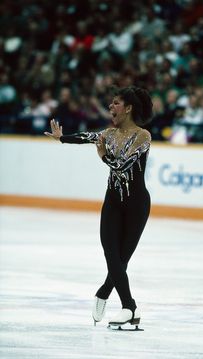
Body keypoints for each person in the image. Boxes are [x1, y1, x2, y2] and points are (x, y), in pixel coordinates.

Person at [44, 86, 153, 329]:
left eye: (115, 103)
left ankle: (105, 293)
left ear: (128, 108)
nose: (110, 107)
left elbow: (123, 166)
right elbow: (87, 137)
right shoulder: (109, 134)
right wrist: (62, 138)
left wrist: (103, 156)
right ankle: (129, 307)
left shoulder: (143, 136)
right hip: (112, 203)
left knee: (121, 259)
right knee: (111, 254)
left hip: (137, 205)